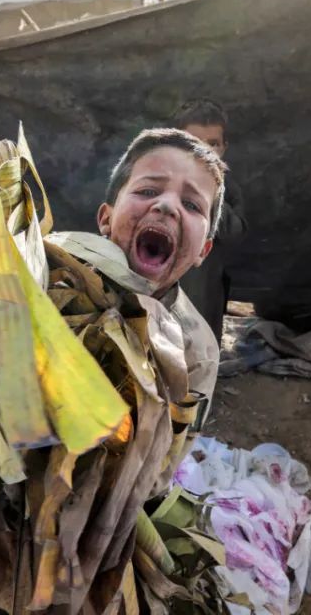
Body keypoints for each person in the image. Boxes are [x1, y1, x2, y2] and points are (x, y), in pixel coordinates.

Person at [61, 128, 224, 420]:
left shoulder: (196, 353)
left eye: (191, 204)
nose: (166, 206)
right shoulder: (52, 279)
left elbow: (171, 450)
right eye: (148, 191)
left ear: (204, 250)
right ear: (106, 218)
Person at [171, 99, 247, 343]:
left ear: (223, 148)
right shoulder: (156, 178)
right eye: (194, 143)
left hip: (203, 292)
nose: (204, 151)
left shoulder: (228, 189)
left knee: (200, 351)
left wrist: (209, 192)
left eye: (212, 144)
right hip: (157, 283)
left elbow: (236, 234)